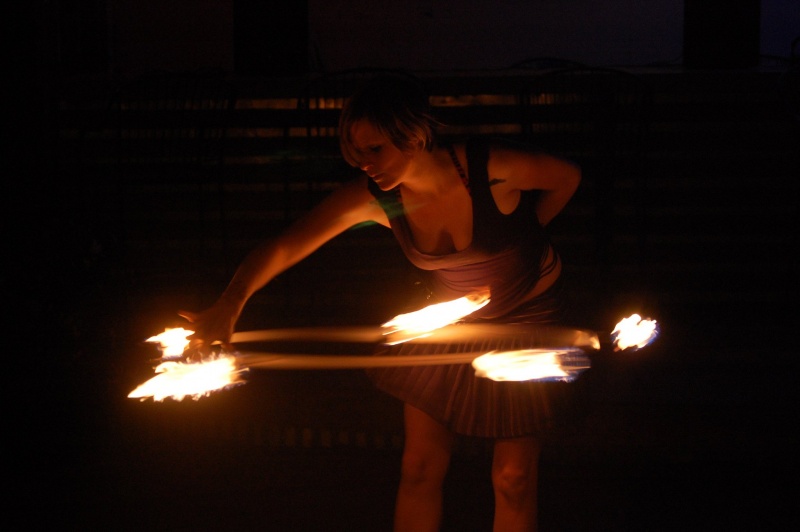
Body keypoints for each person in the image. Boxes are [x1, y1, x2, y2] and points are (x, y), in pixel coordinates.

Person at [179, 74, 580, 532]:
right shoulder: (380, 198)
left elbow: (568, 176)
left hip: (526, 322)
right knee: (418, 468)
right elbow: (287, 246)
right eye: (357, 153)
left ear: (414, 135)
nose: (365, 164)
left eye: (376, 150)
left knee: (513, 477)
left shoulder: (492, 167)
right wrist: (230, 305)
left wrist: (526, 239)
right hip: (451, 324)